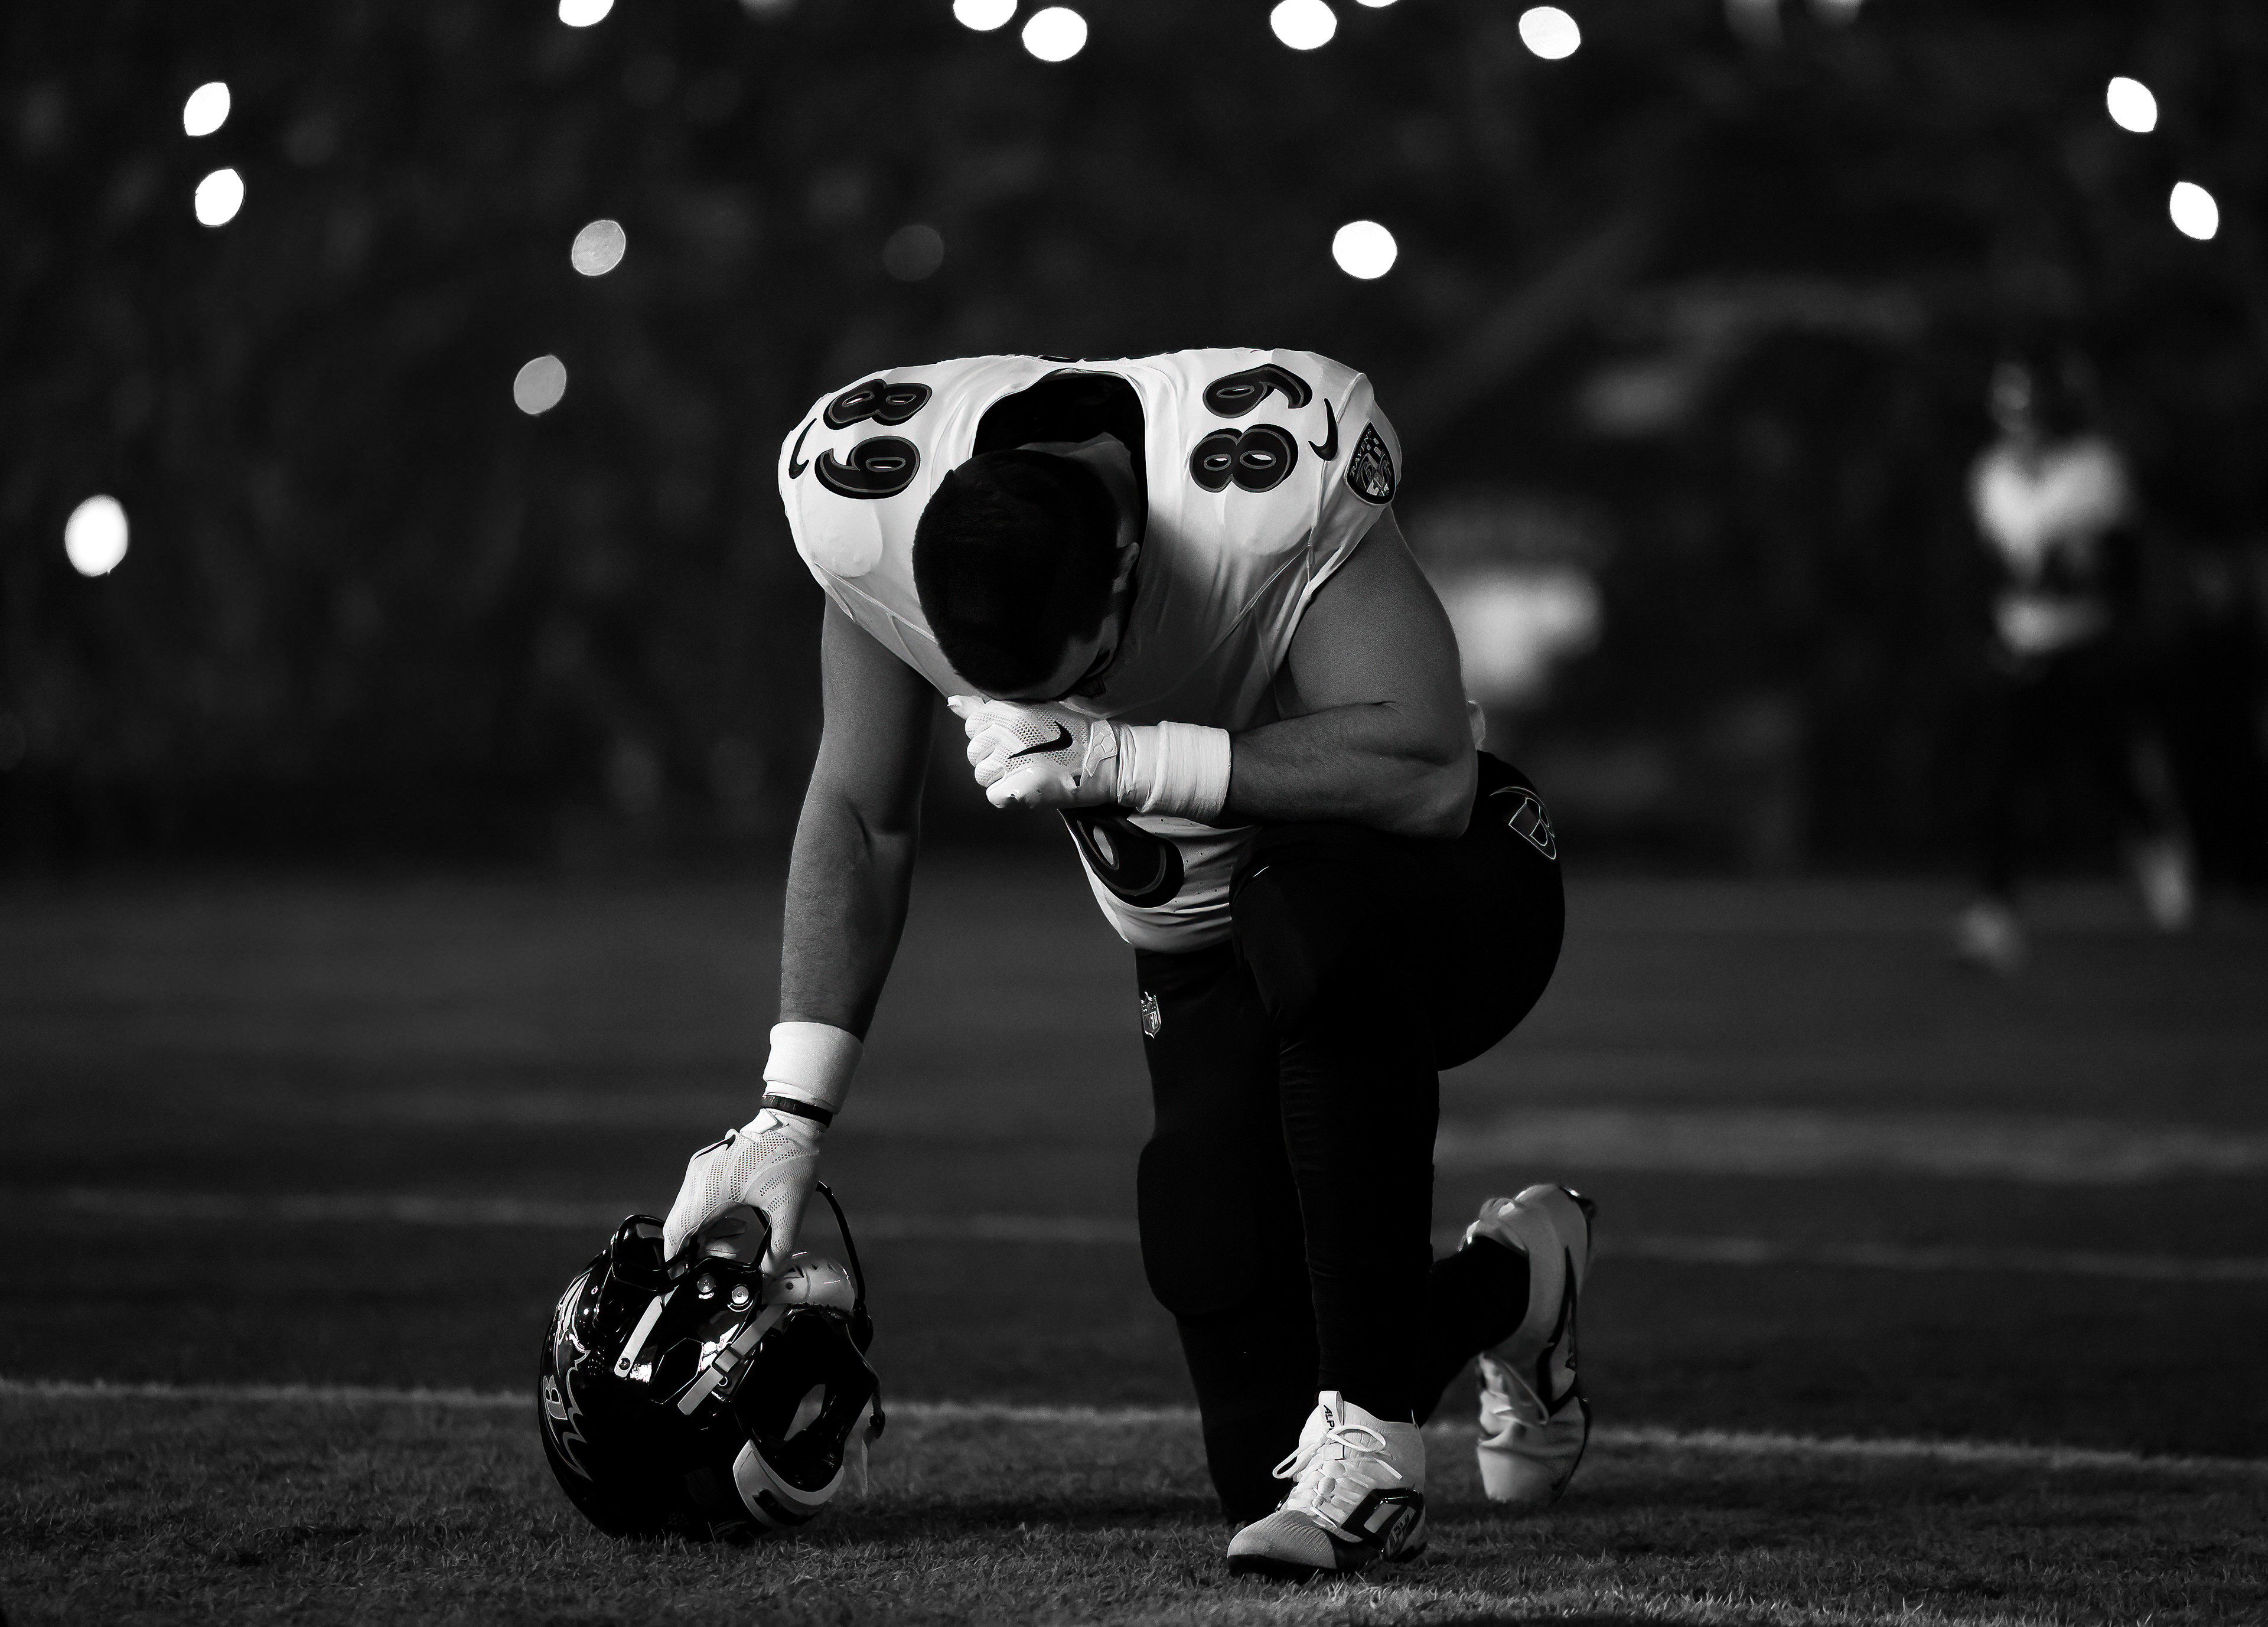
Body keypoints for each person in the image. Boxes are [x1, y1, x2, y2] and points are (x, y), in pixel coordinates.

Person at [659, 350, 1586, 1579]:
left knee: (1303, 916)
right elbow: (861, 818)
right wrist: (788, 1115)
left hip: (1441, 891)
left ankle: (1373, 1449)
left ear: (1125, 570)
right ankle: (1519, 1285)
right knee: (1246, 1413)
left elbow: (1428, 773)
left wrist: (1124, 758)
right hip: (1201, 951)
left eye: (1083, 677)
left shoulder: (1258, 485)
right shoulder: (864, 504)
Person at [1956, 353, 2192, 973]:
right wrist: (2002, 610)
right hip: (2022, 647)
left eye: (2034, 415)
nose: (2025, 428)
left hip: (2086, 647)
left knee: (2109, 769)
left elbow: (2121, 566)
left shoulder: (2094, 469)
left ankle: (2156, 848)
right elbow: (1988, 566)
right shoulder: (1990, 475)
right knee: (1999, 784)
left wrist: (2080, 573)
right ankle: (1994, 908)